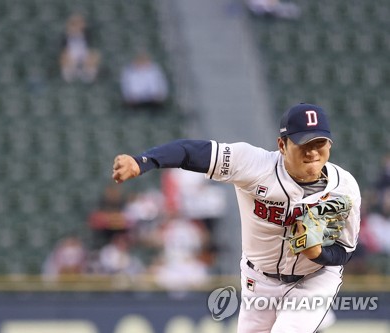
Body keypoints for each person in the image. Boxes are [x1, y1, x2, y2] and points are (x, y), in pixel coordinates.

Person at [112, 103, 361, 333]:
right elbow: (191, 152)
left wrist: (317, 253)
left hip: (313, 280)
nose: (313, 152)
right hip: (259, 280)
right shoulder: (254, 165)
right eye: (304, 144)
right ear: (282, 145)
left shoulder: (345, 188)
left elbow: (345, 250)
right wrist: (143, 162)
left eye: (319, 143)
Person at [59, 13, 101, 83]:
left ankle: (88, 75)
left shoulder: (88, 35)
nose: (77, 27)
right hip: (71, 60)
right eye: (74, 25)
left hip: (85, 59)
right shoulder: (65, 38)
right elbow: (63, 52)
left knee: (94, 55)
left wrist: (87, 60)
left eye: (79, 24)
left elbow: (92, 50)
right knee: (64, 57)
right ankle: (71, 74)